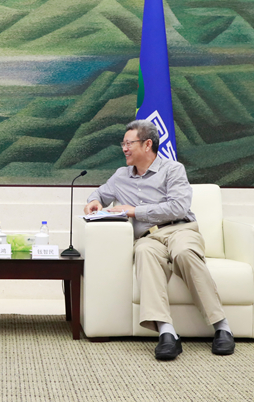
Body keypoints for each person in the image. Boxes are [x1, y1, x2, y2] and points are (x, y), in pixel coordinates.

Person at [84, 119, 235, 360]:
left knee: (185, 253)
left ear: (147, 145)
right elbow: (100, 194)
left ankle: (222, 327)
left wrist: (135, 211)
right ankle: (167, 333)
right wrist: (94, 201)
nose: (124, 148)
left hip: (180, 229)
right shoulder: (121, 175)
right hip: (148, 238)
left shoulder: (173, 169)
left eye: (128, 143)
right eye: (123, 144)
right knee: (143, 252)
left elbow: (178, 207)